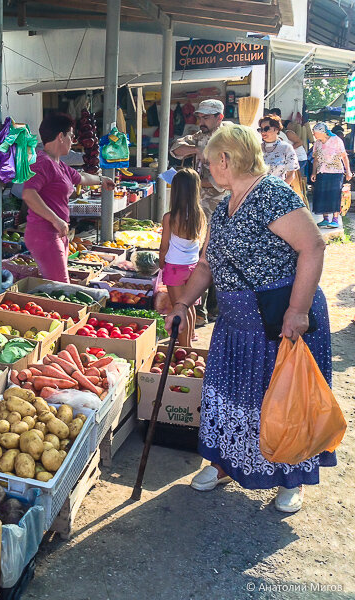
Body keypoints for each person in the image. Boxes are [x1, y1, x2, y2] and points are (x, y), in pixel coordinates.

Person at [165, 124, 332, 513]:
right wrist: (182, 303)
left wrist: (298, 309)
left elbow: (314, 246)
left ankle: (291, 477)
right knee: (233, 398)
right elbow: (206, 265)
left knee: (284, 399)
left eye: (209, 162)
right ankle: (224, 463)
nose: (206, 170)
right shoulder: (224, 205)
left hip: (278, 321)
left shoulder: (272, 194)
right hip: (236, 325)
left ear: (225, 159)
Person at [22, 112, 115, 282]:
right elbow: (28, 194)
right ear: (61, 137)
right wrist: (56, 220)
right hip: (44, 233)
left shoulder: (59, 165)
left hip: (57, 233)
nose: (73, 141)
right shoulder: (42, 162)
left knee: (58, 284)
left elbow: (82, 177)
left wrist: (102, 180)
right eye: (71, 136)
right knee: (61, 285)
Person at [170, 98, 227, 325]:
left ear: (219, 117)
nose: (201, 121)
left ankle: (213, 308)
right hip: (197, 209)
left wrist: (189, 181)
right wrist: (197, 149)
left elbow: (219, 183)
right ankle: (198, 309)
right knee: (197, 259)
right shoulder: (199, 136)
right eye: (199, 117)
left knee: (215, 257)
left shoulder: (228, 139)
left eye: (206, 117)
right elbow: (176, 149)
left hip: (219, 208)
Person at [158, 169, 205, 347]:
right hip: (193, 267)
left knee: (178, 309)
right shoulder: (199, 215)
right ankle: (189, 342)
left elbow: (164, 246)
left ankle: (184, 347)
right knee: (189, 307)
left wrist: (161, 263)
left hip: (175, 268)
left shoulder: (170, 217)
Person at [311, 122, 351, 228]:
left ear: (322, 132)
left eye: (315, 133)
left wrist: (348, 171)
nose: (314, 135)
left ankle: (335, 219)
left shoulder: (336, 140)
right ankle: (325, 219)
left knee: (334, 196)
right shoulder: (317, 143)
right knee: (323, 195)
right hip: (322, 172)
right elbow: (316, 159)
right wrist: (314, 172)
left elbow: (344, 157)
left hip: (336, 172)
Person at [258, 115, 299, 184]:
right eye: (261, 129)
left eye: (266, 128)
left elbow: (291, 175)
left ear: (276, 129)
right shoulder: (257, 148)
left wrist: (281, 191)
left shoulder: (286, 148)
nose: (263, 132)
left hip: (278, 189)